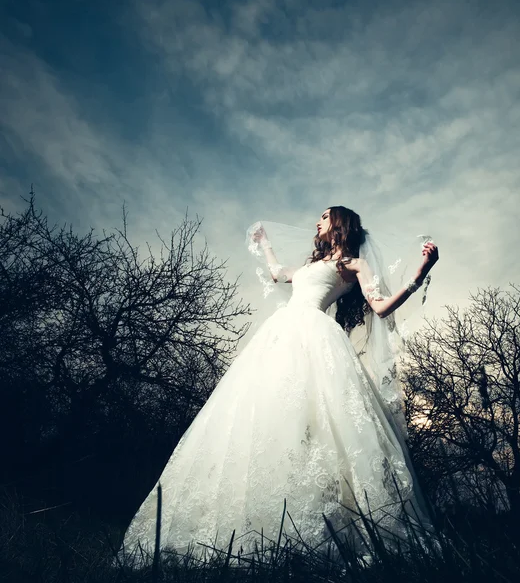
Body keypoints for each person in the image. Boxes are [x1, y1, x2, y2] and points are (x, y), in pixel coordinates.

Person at [119, 206, 439, 563]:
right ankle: (259, 527)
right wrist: (265, 244)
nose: (317, 221)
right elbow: (275, 273)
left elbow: (380, 307)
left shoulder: (353, 265)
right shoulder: (308, 266)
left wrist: (419, 274)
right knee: (266, 416)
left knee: (321, 427)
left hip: (317, 338)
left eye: (324, 215)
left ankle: (324, 529)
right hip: (281, 335)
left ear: (340, 223)